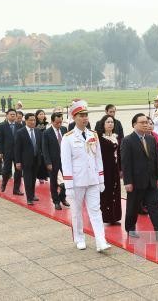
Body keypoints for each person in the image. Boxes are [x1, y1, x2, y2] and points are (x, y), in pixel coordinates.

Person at [61, 99, 111, 251]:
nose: (84, 118)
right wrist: (68, 186)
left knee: (96, 210)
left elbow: (98, 159)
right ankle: (79, 237)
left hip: (93, 180)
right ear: (74, 117)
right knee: (76, 212)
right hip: (77, 181)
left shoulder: (93, 135)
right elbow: (66, 163)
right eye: (81, 115)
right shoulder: (68, 138)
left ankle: (100, 240)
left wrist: (101, 179)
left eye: (86, 115)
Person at [121, 113, 158, 240]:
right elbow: (125, 163)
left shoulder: (151, 139)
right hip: (135, 181)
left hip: (151, 180)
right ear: (134, 125)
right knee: (133, 207)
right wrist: (128, 181)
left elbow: (155, 160)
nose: (146, 124)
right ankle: (130, 228)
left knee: (154, 207)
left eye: (147, 122)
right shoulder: (128, 141)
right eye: (142, 122)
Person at [96, 114, 122, 224]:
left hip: (115, 169)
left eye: (112, 122)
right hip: (105, 169)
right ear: (103, 124)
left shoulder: (116, 137)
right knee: (106, 193)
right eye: (108, 122)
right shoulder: (99, 138)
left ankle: (115, 217)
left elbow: (119, 154)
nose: (110, 124)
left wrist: (121, 169)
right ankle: (106, 217)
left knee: (115, 192)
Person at [42, 112, 70, 210]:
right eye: (57, 123)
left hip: (65, 160)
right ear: (52, 122)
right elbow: (45, 149)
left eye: (60, 122)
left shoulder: (64, 129)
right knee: (53, 182)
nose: (59, 125)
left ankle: (63, 197)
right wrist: (48, 162)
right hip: (53, 161)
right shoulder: (46, 133)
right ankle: (56, 201)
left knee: (67, 180)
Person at [15, 113, 42, 205]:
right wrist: (18, 162)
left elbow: (40, 146)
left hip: (36, 159)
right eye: (30, 120)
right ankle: (29, 198)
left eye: (34, 120)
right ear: (26, 121)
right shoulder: (20, 132)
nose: (33, 122)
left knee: (33, 179)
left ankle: (33, 194)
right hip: (25, 160)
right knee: (27, 179)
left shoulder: (38, 131)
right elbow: (17, 148)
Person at [0, 109, 23, 195]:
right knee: (6, 170)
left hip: (18, 153)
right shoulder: (2, 126)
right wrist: (0, 151)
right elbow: (0, 140)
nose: (13, 116)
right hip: (7, 152)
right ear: (7, 115)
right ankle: (3, 184)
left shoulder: (19, 125)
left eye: (14, 114)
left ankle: (16, 189)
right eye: (11, 114)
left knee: (18, 171)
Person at [35, 109, 49, 183]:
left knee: (45, 160)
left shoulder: (46, 123)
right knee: (39, 160)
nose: (42, 115)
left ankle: (45, 175)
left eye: (43, 114)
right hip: (38, 143)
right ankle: (40, 176)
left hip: (45, 143)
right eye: (40, 114)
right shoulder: (35, 124)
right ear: (37, 116)